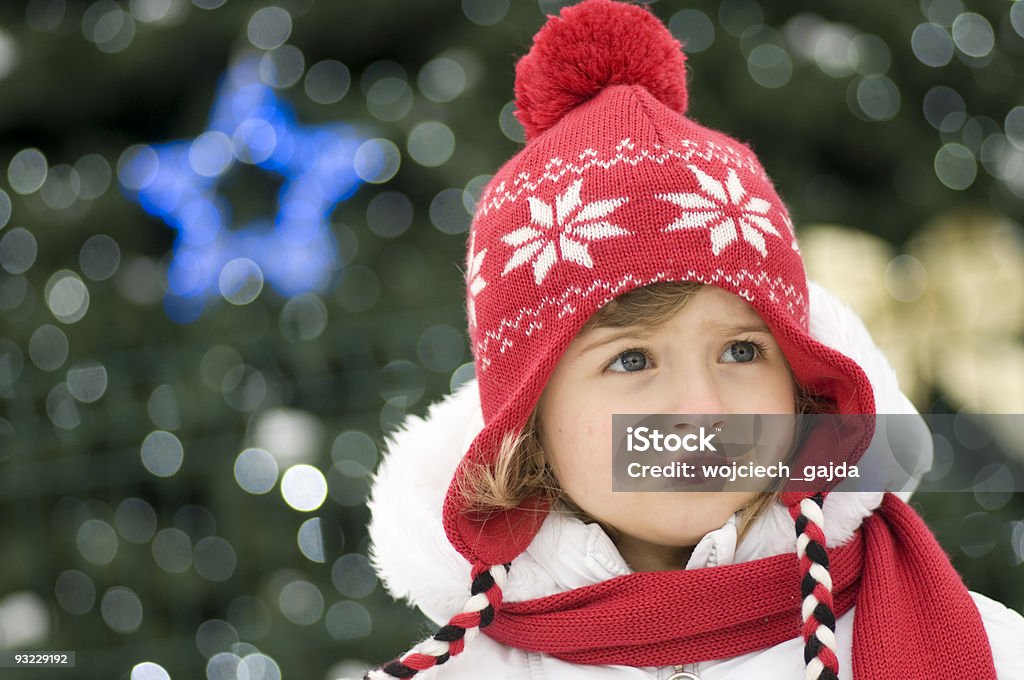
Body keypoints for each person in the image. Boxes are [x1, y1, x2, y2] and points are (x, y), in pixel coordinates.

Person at [363, 1, 1024, 678]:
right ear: (527, 413)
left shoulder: (987, 649)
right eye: (631, 359)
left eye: (742, 350)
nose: (702, 406)